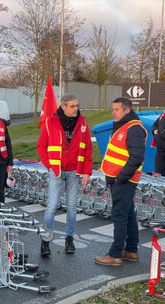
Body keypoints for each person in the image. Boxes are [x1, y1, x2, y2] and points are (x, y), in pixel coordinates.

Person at [37, 93, 93, 256]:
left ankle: (69, 239)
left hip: (75, 171)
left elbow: (88, 149)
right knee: (52, 206)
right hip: (56, 171)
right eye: (72, 106)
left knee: (72, 208)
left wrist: (87, 172)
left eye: (77, 105)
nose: (76, 108)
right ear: (63, 107)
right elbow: (41, 147)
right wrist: (50, 166)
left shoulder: (83, 123)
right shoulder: (50, 123)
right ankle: (46, 241)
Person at [94, 97, 146, 267]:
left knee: (119, 216)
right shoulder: (124, 126)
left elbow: (136, 157)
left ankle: (115, 254)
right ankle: (131, 250)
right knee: (129, 215)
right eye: (113, 109)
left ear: (127, 110)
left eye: (116, 110)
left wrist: (121, 177)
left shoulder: (133, 128)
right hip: (120, 179)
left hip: (124, 180)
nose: (113, 112)